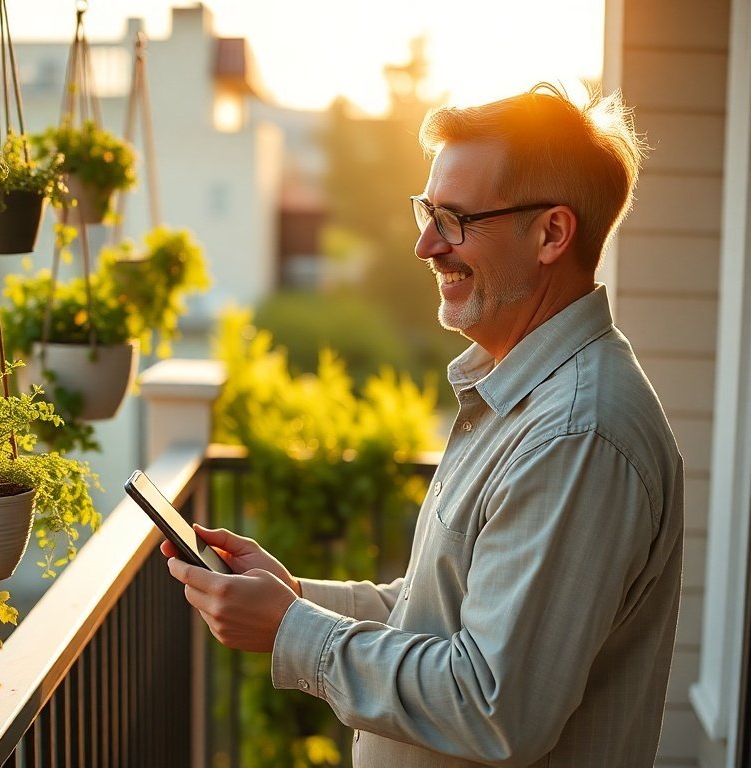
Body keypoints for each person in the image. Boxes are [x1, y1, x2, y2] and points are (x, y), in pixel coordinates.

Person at [162, 83, 684, 767]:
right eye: (427, 211)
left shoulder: (576, 434)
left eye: (455, 219)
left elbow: (493, 706)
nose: (424, 245)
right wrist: (296, 597)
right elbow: (443, 616)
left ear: (552, 233)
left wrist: (291, 630)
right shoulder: (523, 400)